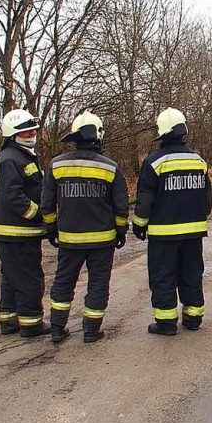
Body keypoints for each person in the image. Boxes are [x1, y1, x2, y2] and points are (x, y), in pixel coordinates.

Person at [41, 111, 129, 344]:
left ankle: (57, 329)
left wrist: (51, 229)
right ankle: (91, 330)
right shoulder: (110, 167)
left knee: (63, 282)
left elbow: (47, 204)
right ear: (98, 135)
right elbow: (121, 207)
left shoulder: (56, 164)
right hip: (102, 241)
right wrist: (121, 231)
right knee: (98, 284)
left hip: (69, 240)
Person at [132, 107, 212, 336]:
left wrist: (139, 224)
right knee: (192, 274)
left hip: (163, 235)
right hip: (194, 233)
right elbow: (207, 200)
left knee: (163, 277)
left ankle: (166, 323)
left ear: (162, 132)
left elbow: (145, 200)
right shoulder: (198, 160)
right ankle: (193, 318)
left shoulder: (154, 162)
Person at [0, 109, 50, 337]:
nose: (32, 134)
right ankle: (31, 323)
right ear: (13, 134)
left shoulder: (20, 155)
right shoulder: (11, 159)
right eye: (27, 131)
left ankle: (8, 321)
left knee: (12, 276)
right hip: (19, 232)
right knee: (29, 278)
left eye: (33, 130)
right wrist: (39, 214)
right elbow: (13, 196)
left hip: (17, 233)